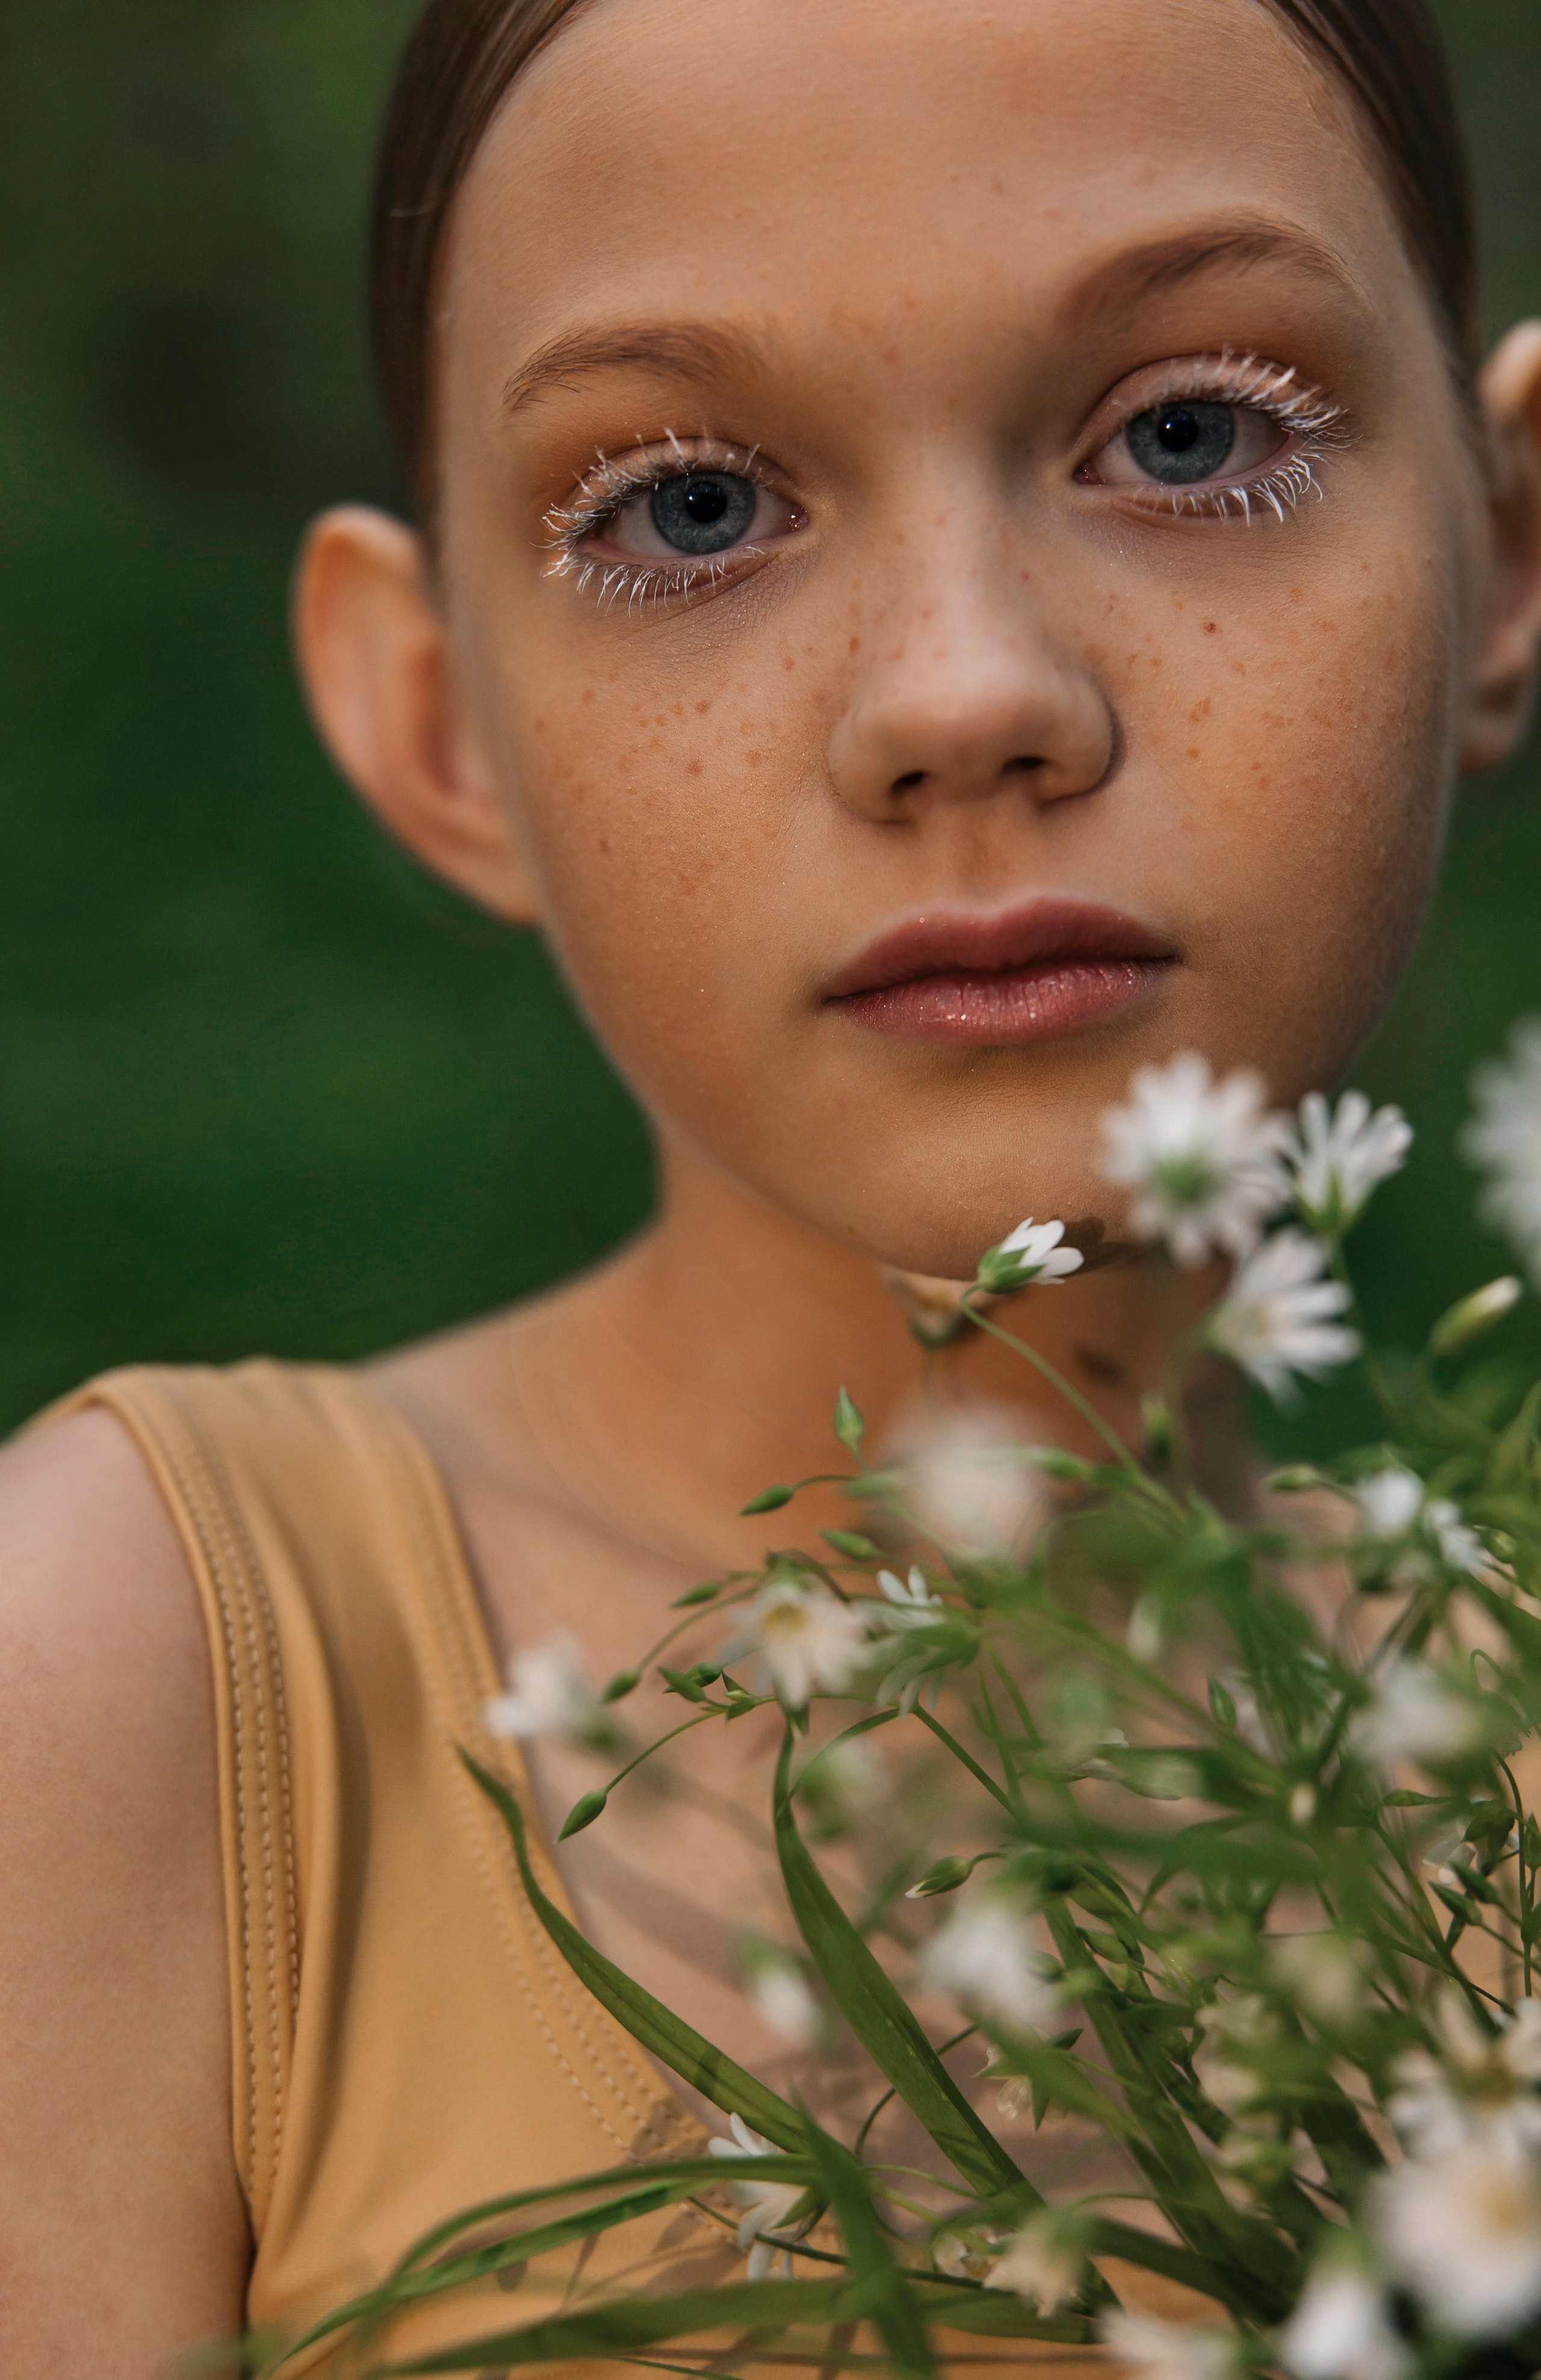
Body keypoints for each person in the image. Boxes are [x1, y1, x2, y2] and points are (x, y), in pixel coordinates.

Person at [4, 0, 1541, 2367]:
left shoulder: (1501, 1733)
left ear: (1507, 550)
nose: (962, 693)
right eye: (690, 506)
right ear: (434, 719)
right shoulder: (146, 1681)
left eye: (1191, 432)